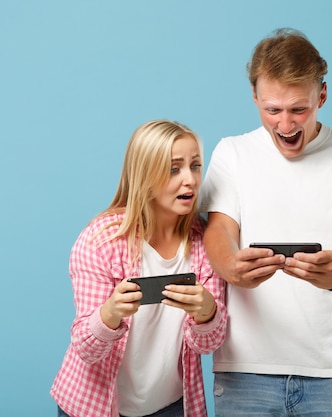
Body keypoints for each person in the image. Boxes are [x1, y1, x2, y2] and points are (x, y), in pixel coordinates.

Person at [199, 28, 332, 416]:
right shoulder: (233, 153)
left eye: (299, 109)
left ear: (322, 95)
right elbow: (219, 230)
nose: (286, 124)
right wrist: (231, 267)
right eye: (272, 110)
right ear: (255, 98)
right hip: (246, 371)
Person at [51, 120, 227, 417]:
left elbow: (208, 344)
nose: (191, 180)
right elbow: (86, 349)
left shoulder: (205, 240)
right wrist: (110, 313)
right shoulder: (102, 241)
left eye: (195, 166)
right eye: (174, 169)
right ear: (145, 176)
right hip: (92, 407)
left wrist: (207, 311)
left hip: (170, 406)